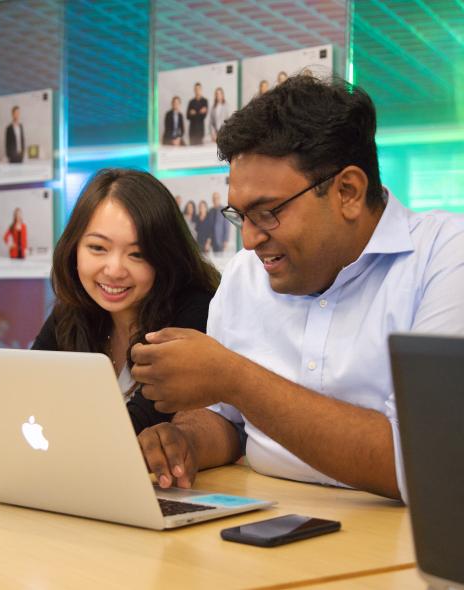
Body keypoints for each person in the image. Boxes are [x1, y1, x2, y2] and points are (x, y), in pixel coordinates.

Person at [130, 74, 464, 498]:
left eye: (267, 213)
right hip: (266, 516)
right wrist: (186, 441)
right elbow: (225, 419)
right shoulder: (244, 275)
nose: (249, 240)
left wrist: (235, 378)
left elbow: (420, 462)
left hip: (399, 538)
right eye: (240, 216)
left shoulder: (445, 258)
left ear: (348, 191)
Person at [32, 169, 219, 435]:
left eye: (137, 254)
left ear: (165, 256)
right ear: (74, 248)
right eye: (98, 248)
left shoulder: (195, 312)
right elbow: (24, 394)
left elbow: (131, 430)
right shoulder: (74, 311)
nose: (114, 269)